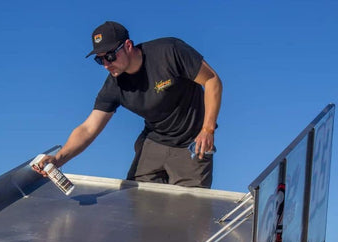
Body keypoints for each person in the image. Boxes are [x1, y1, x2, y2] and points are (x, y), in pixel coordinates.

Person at [34, 21, 222, 188]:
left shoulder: (169, 52)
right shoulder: (114, 86)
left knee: (190, 214)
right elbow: (88, 128)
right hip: (154, 141)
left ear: (128, 46)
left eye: (110, 57)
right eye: (100, 60)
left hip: (191, 142)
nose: (107, 65)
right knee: (138, 205)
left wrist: (208, 129)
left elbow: (212, 80)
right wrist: (59, 158)